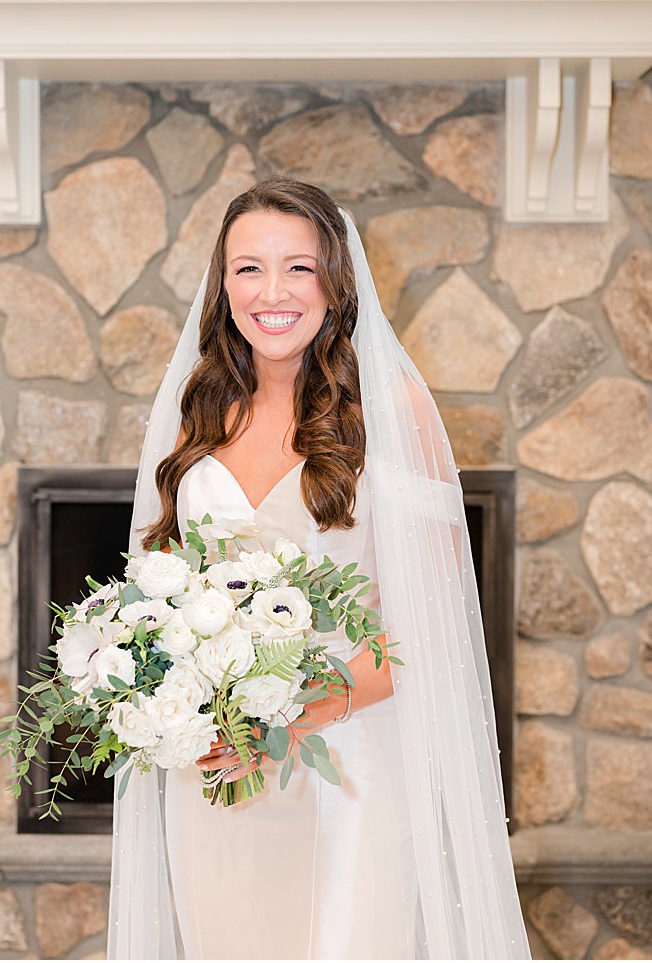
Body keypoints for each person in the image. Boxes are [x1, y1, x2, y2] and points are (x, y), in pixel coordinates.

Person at [109, 179, 529, 959]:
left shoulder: (393, 413)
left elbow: (429, 630)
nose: (273, 292)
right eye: (249, 269)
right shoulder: (193, 411)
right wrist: (174, 702)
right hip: (217, 776)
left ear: (336, 281)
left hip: (349, 764)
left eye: (299, 268)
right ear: (222, 284)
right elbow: (154, 599)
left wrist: (279, 719)